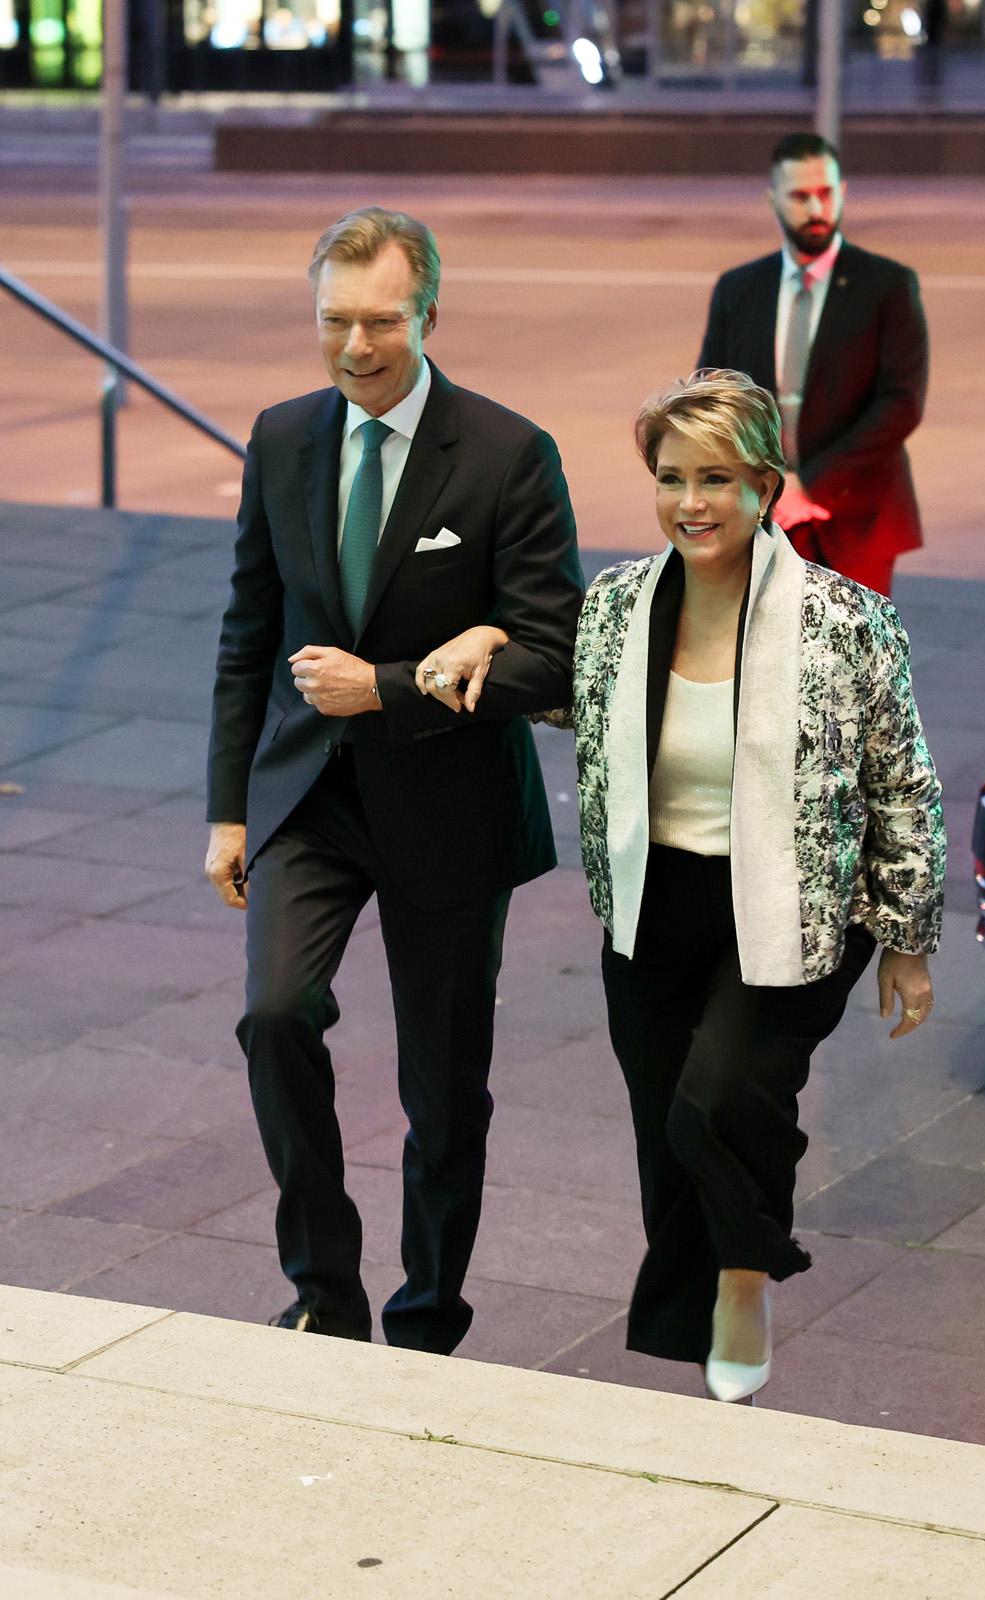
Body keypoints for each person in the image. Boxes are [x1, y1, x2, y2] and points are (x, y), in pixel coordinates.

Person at [424, 370, 944, 1403]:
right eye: (670, 478)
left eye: (714, 478)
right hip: (652, 903)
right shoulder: (618, 604)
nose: (689, 502)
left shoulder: (846, 622)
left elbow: (900, 780)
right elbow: (561, 690)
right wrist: (488, 633)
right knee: (665, 1121)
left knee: (720, 1099)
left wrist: (907, 938)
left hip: (792, 910)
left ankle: (744, 1276)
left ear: (763, 485)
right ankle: (687, 1302)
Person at [204, 206, 583, 1354]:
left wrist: (393, 686)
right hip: (306, 799)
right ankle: (324, 1284)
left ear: (428, 315)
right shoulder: (279, 439)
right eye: (333, 321)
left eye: (379, 321)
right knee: (273, 1015)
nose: (354, 346)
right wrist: (227, 808)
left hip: (449, 805)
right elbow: (247, 632)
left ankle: (426, 1316)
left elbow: (552, 651)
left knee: (443, 1087)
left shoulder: (508, 450)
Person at [696, 131, 928, 597]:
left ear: (842, 193)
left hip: (859, 517)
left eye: (825, 194)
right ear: (773, 200)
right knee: (766, 659)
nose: (817, 209)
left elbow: (900, 404)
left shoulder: (887, 286)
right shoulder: (738, 288)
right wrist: (770, 488)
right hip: (766, 517)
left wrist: (812, 485)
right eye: (800, 196)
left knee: (855, 664)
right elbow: (713, 399)